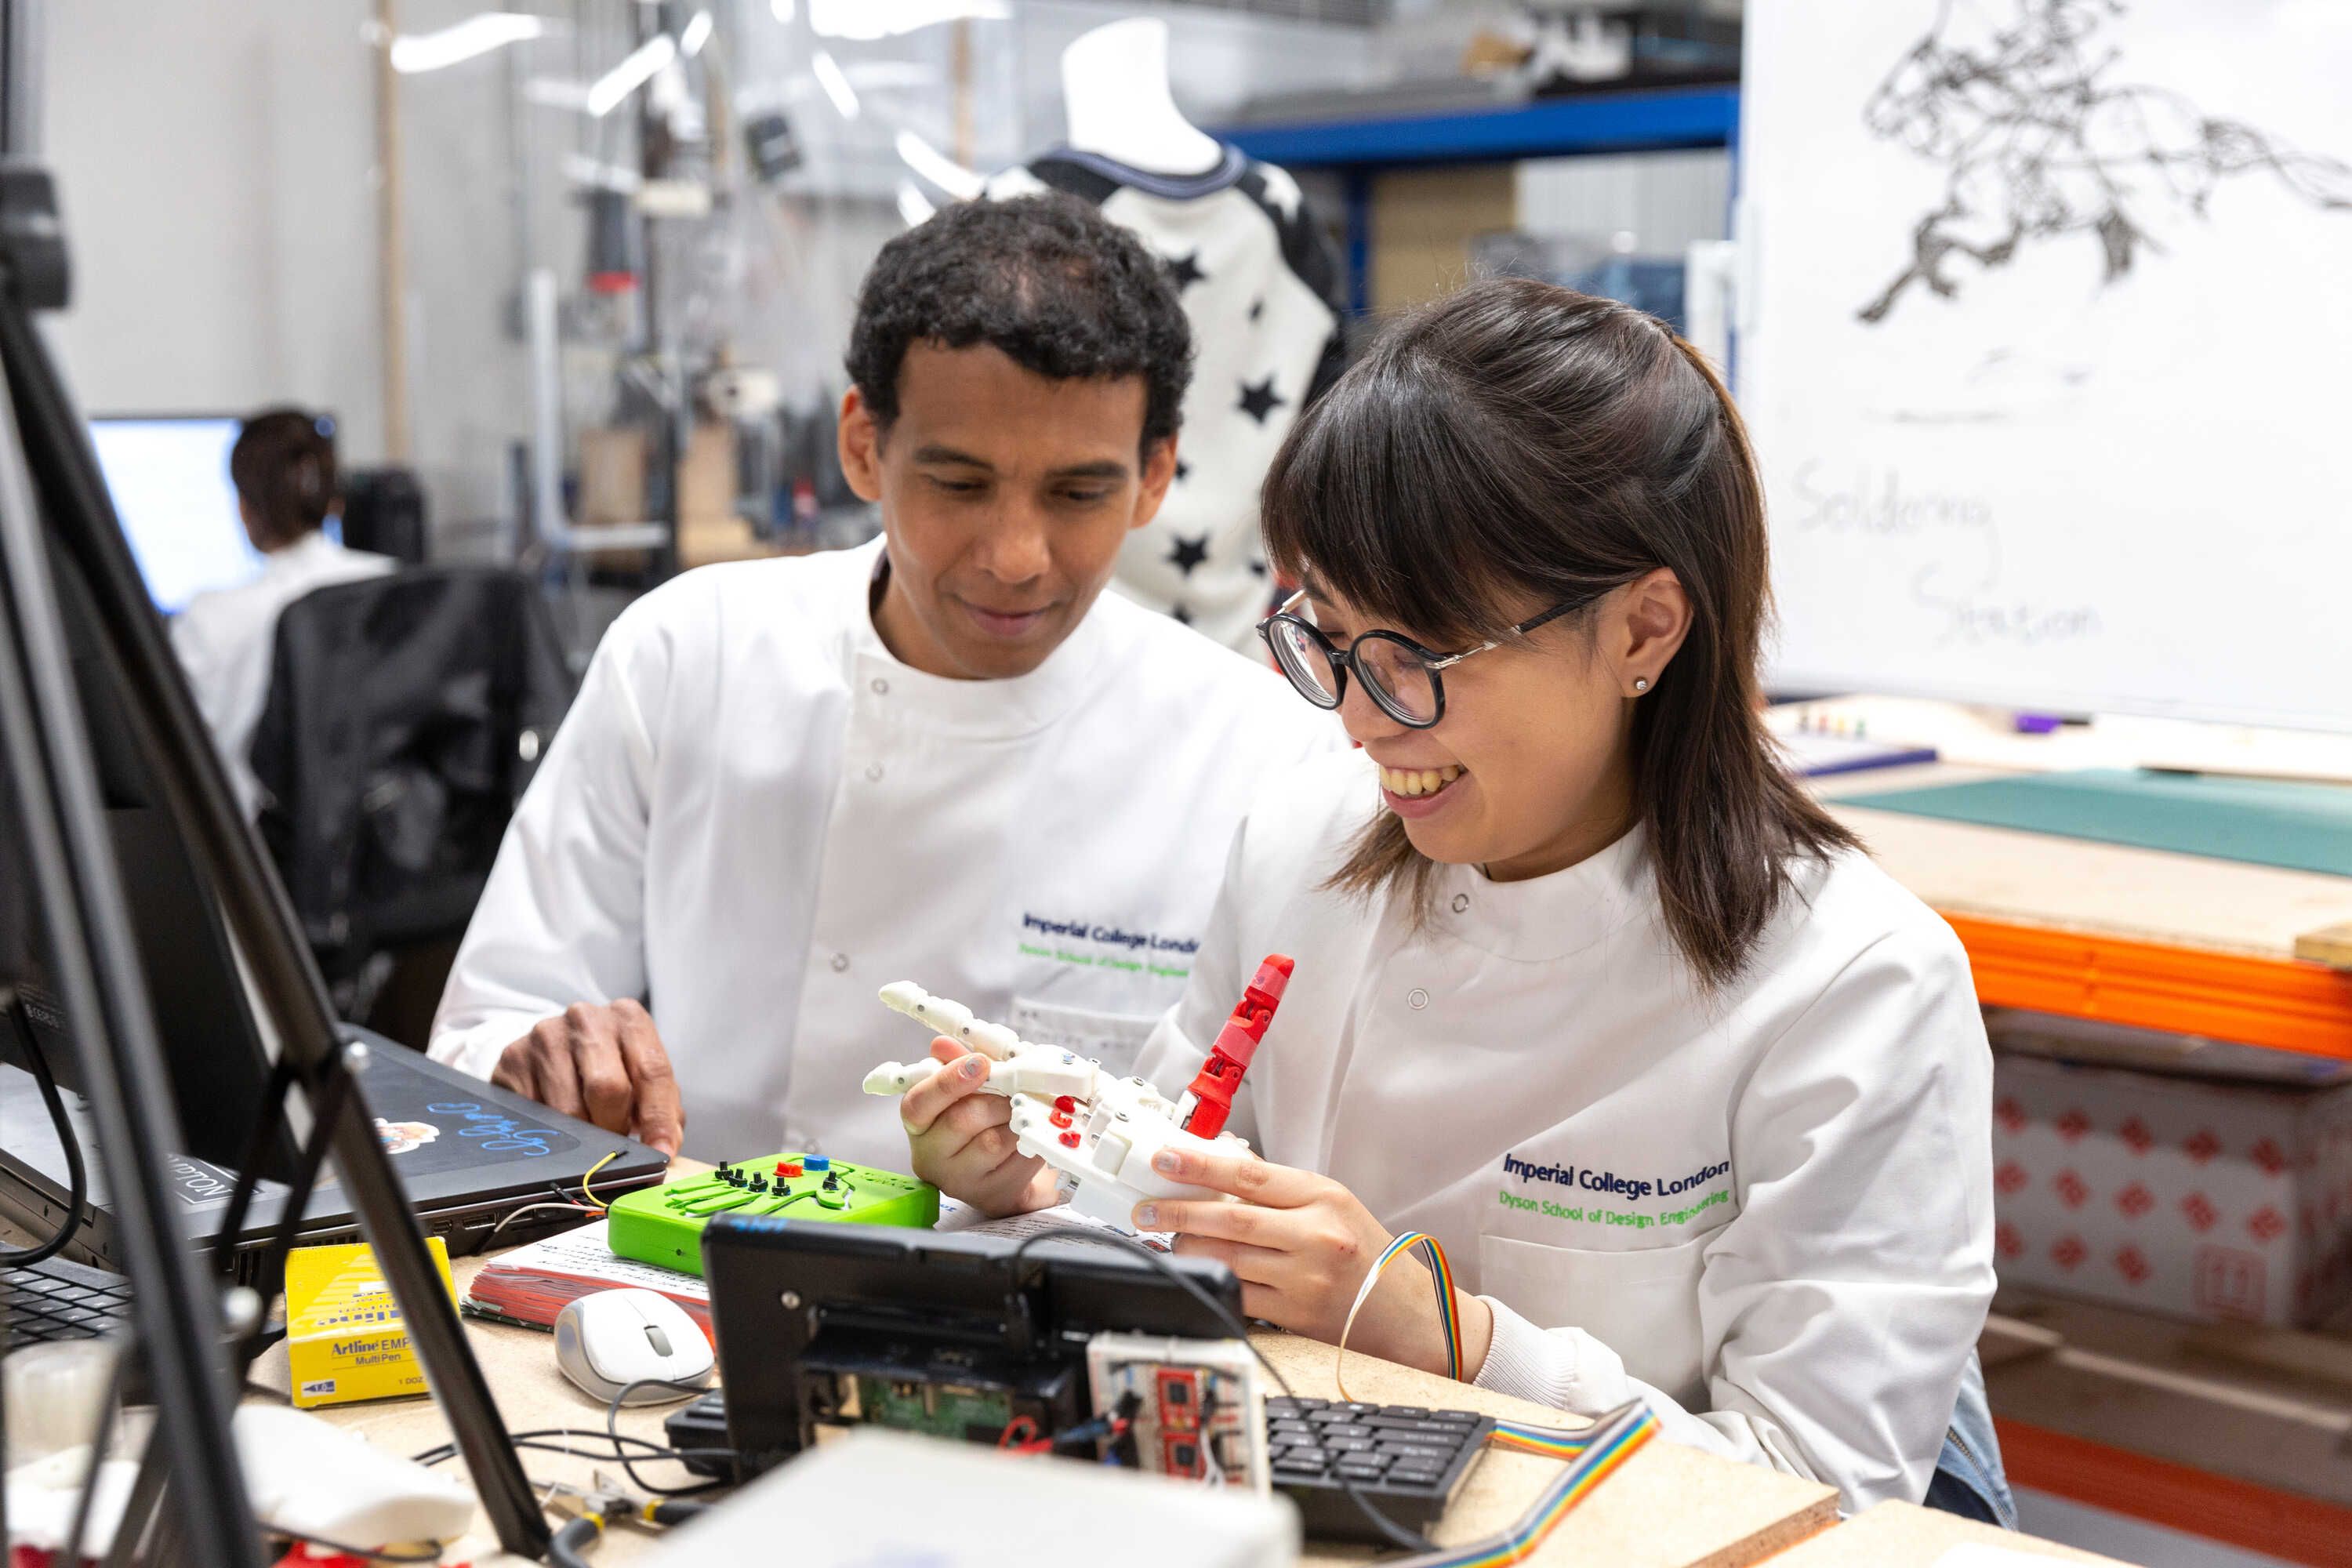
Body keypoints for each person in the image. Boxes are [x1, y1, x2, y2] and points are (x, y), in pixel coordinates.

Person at [895, 280, 2009, 1519]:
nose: (1365, 720)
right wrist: (1040, 1186)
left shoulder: (1853, 985)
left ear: (1645, 629)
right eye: (1329, 638)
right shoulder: (1302, 848)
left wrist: (1458, 1339)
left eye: (1419, 658)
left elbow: (1828, 1501)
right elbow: (1175, 1208)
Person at [429, 195, 1337, 1166]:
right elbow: (486, 1029)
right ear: (865, 444)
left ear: (1156, 474)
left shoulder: (1252, 750)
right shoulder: (691, 653)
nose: (1017, 556)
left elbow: (1257, 1157)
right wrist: (548, 1060)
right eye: (958, 483)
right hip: (690, 1270)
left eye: (1079, 492)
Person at [169, 409, 393, 816]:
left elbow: (174, 758)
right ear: (334, 502)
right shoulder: (395, 589)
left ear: (244, 510)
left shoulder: (208, 621)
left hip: (258, 864)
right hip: (384, 850)